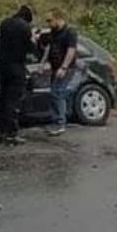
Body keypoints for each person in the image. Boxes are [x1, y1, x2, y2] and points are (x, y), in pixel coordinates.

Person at [0, 5, 36, 146]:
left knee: (3, 99)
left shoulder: (5, 23)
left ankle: (1, 133)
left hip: (3, 66)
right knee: (14, 101)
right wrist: (35, 39)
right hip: (17, 66)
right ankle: (11, 134)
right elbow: (30, 48)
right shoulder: (25, 27)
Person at [41, 8, 78, 137]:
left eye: (50, 20)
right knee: (53, 93)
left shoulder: (70, 32)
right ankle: (55, 120)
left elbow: (71, 51)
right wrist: (45, 62)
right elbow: (49, 48)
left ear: (58, 18)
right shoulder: (54, 32)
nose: (48, 23)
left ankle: (60, 123)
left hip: (66, 68)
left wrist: (64, 67)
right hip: (55, 67)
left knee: (57, 93)